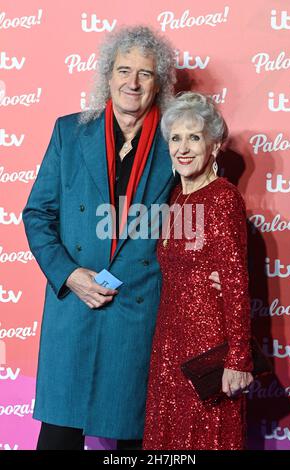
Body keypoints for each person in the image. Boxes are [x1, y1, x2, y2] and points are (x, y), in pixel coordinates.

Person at [22, 27, 221, 450]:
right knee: (57, 437)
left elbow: (198, 220)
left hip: (140, 309)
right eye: (123, 70)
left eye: (145, 74)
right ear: (107, 77)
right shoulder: (69, 132)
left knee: (134, 441)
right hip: (72, 304)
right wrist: (68, 273)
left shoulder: (176, 143)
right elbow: (37, 214)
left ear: (160, 82)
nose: (132, 83)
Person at [143, 92, 254, 450]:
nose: (184, 147)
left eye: (194, 137)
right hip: (168, 348)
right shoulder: (175, 197)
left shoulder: (223, 198)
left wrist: (238, 359)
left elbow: (235, 283)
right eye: (176, 138)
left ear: (214, 147)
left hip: (209, 351)